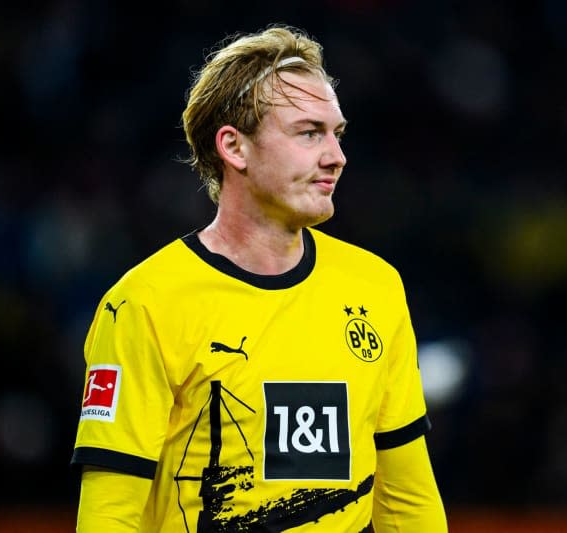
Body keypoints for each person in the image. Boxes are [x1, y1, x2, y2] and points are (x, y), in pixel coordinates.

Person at [71, 24, 447, 532]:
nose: (335, 156)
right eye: (308, 132)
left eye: (336, 134)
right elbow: (110, 514)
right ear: (235, 147)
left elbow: (409, 500)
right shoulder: (144, 303)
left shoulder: (375, 287)